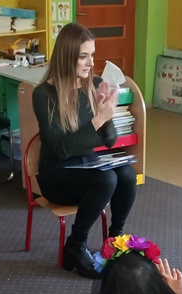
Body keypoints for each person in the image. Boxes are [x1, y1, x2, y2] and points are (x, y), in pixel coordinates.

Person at [32, 23, 137, 279]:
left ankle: (115, 241)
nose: (91, 63)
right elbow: (63, 148)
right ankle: (76, 245)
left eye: (92, 55)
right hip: (56, 173)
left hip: (87, 165)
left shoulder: (95, 84)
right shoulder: (43, 94)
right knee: (106, 179)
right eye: (83, 56)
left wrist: (106, 112)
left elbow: (110, 141)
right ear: (67, 56)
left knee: (126, 174)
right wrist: (98, 119)